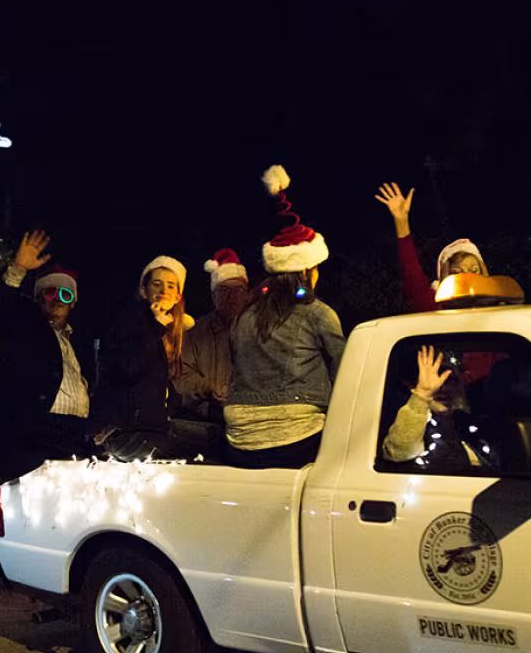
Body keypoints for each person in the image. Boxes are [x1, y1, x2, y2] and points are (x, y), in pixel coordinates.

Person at [224, 165, 346, 469]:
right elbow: (347, 373)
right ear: (307, 269)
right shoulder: (318, 313)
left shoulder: (243, 314)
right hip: (297, 437)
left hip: (238, 438)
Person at [0, 231, 94, 483]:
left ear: (73, 304)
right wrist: (19, 268)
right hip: (38, 437)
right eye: (49, 293)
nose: (56, 301)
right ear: (38, 297)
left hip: (74, 437)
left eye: (65, 296)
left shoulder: (76, 343)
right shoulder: (25, 325)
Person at [92, 254, 197, 460]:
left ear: (177, 296)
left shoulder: (167, 331)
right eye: (156, 284)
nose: (163, 291)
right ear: (143, 290)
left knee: (213, 434)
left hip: (151, 428)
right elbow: (130, 367)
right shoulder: (130, 323)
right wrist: (156, 327)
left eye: (170, 286)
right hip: (127, 433)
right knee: (210, 446)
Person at [373, 181, 489, 313]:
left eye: (474, 270)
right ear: (445, 276)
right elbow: (412, 274)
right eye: (457, 272)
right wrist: (401, 222)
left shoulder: (498, 305)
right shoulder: (434, 306)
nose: (467, 277)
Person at [177, 247, 249, 424]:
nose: (231, 296)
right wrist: (208, 387)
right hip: (206, 420)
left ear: (247, 293)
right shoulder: (196, 333)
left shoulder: (260, 329)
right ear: (213, 295)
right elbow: (181, 376)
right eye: (224, 289)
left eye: (238, 289)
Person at [380, 345, 468, 471]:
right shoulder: (416, 422)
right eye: (434, 377)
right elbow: (399, 453)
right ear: (412, 385)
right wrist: (423, 394)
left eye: (450, 379)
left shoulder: (462, 422)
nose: (442, 387)